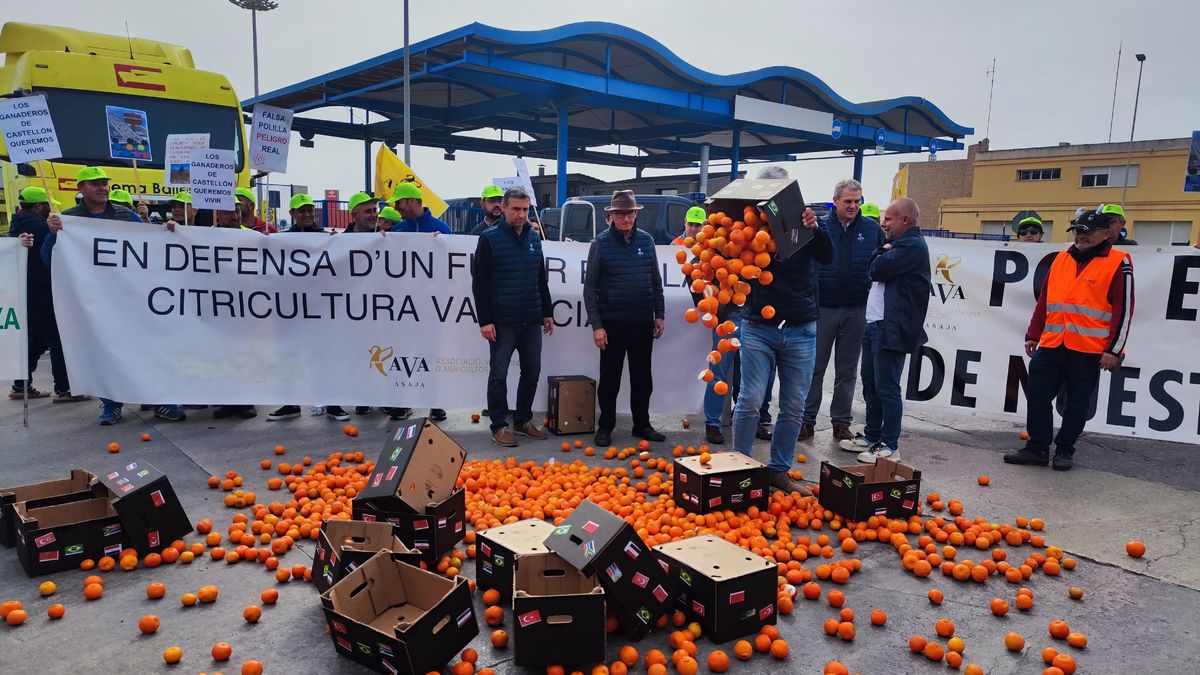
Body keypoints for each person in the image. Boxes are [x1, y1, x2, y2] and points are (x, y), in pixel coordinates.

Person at [42, 167, 184, 425]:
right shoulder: (67, 220)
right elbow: (47, 259)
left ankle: (161, 401)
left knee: (147, 349)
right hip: (94, 301)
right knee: (105, 351)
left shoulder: (125, 216)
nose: (103, 188)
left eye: (105, 183)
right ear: (81, 188)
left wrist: (168, 231)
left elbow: (151, 249)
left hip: (131, 298)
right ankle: (111, 404)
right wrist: (52, 236)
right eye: (95, 184)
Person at [1004, 210, 1134, 471]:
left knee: (1076, 404)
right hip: (1053, 342)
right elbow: (1045, 300)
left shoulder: (1119, 262)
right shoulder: (1061, 258)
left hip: (1087, 349)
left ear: (1105, 233)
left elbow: (1124, 308)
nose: (1081, 236)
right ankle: (1038, 448)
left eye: (1087, 231)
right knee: (1038, 396)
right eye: (1077, 230)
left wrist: (1113, 350)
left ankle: (1064, 450)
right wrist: (1033, 334)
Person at [731, 197, 832, 494]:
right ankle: (740, 470)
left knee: (793, 405)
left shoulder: (804, 221)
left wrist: (817, 228)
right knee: (749, 400)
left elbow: (828, 255)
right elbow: (724, 261)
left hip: (800, 326)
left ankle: (778, 471)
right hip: (757, 326)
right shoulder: (747, 227)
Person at [838, 198, 931, 462]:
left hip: (892, 328)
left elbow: (876, 269)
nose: (883, 223)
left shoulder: (912, 245)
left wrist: (881, 252)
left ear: (905, 220)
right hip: (876, 323)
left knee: (887, 387)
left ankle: (890, 444)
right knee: (871, 384)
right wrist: (883, 250)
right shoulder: (897, 244)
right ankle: (872, 434)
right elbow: (877, 266)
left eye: (889, 219)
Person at [800, 178, 883, 442]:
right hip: (823, 307)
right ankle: (807, 420)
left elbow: (882, 259)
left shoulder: (871, 229)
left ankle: (840, 423)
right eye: (848, 201)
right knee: (815, 368)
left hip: (856, 309)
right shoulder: (820, 226)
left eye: (857, 201)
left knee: (847, 370)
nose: (853, 206)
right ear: (835, 200)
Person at [583, 190, 666, 447]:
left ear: (635, 214)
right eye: (620, 214)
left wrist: (659, 314)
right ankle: (605, 426)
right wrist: (597, 326)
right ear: (611, 216)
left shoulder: (646, 240)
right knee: (610, 379)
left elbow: (655, 280)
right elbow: (590, 289)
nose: (626, 218)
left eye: (630, 213)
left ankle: (642, 424)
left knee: (643, 378)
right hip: (613, 324)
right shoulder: (600, 244)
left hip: (642, 322)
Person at [471, 187, 553, 446]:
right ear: (504, 208)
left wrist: (547, 312)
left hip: (531, 318)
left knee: (532, 371)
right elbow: (479, 283)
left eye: (525, 209)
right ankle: (498, 425)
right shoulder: (489, 239)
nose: (521, 214)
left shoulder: (533, 238)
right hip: (502, 321)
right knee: (499, 374)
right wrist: (485, 320)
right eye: (516, 209)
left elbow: (540, 277)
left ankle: (523, 421)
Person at [266, 194, 351, 423]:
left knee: (324, 358)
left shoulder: (327, 238)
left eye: (309, 210)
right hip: (290, 309)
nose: (306, 214)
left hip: (320, 309)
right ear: (292, 214)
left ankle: (333, 403)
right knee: (289, 356)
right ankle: (291, 404)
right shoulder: (281, 239)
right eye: (301, 211)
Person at [7, 186, 90, 403]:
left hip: (29, 292)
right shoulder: (40, 227)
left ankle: (20, 384)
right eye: (47, 205)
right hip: (44, 291)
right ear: (39, 206)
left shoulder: (17, 224)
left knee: (39, 339)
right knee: (56, 338)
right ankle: (65, 389)